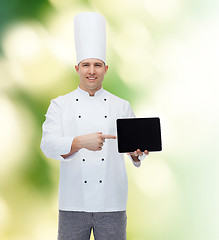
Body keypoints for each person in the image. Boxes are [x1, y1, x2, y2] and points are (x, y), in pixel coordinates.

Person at [40, 12, 149, 240]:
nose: (91, 71)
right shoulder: (60, 105)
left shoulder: (122, 105)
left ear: (106, 69)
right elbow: (47, 145)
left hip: (112, 204)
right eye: (86, 65)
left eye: (97, 65)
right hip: (73, 203)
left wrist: (137, 155)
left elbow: (134, 147)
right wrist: (80, 142)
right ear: (77, 68)